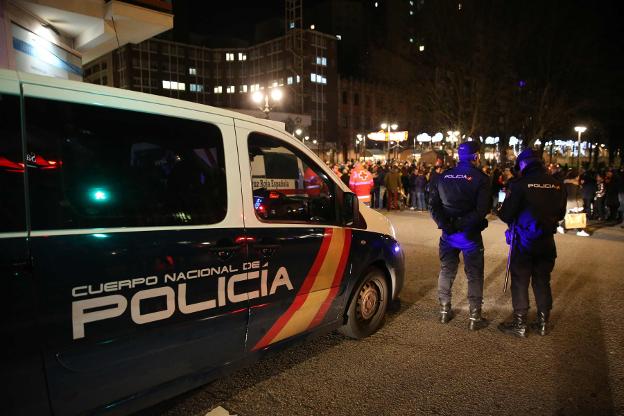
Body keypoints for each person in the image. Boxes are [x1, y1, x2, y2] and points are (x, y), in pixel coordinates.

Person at [497, 148, 566, 337]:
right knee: (543, 280)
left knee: (520, 281)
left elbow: (506, 214)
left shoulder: (519, 184)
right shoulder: (557, 185)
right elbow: (560, 214)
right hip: (546, 241)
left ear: (523, 164)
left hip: (524, 241)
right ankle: (543, 322)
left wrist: (501, 209)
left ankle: (520, 323)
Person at [429, 141, 491, 330]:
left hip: (448, 235)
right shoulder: (481, 178)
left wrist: (446, 225)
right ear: (476, 157)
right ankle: (474, 317)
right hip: (470, 234)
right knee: (474, 274)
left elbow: (433, 206)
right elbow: (481, 211)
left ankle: (444, 311)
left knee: (447, 270)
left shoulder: (443, 177)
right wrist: (460, 225)